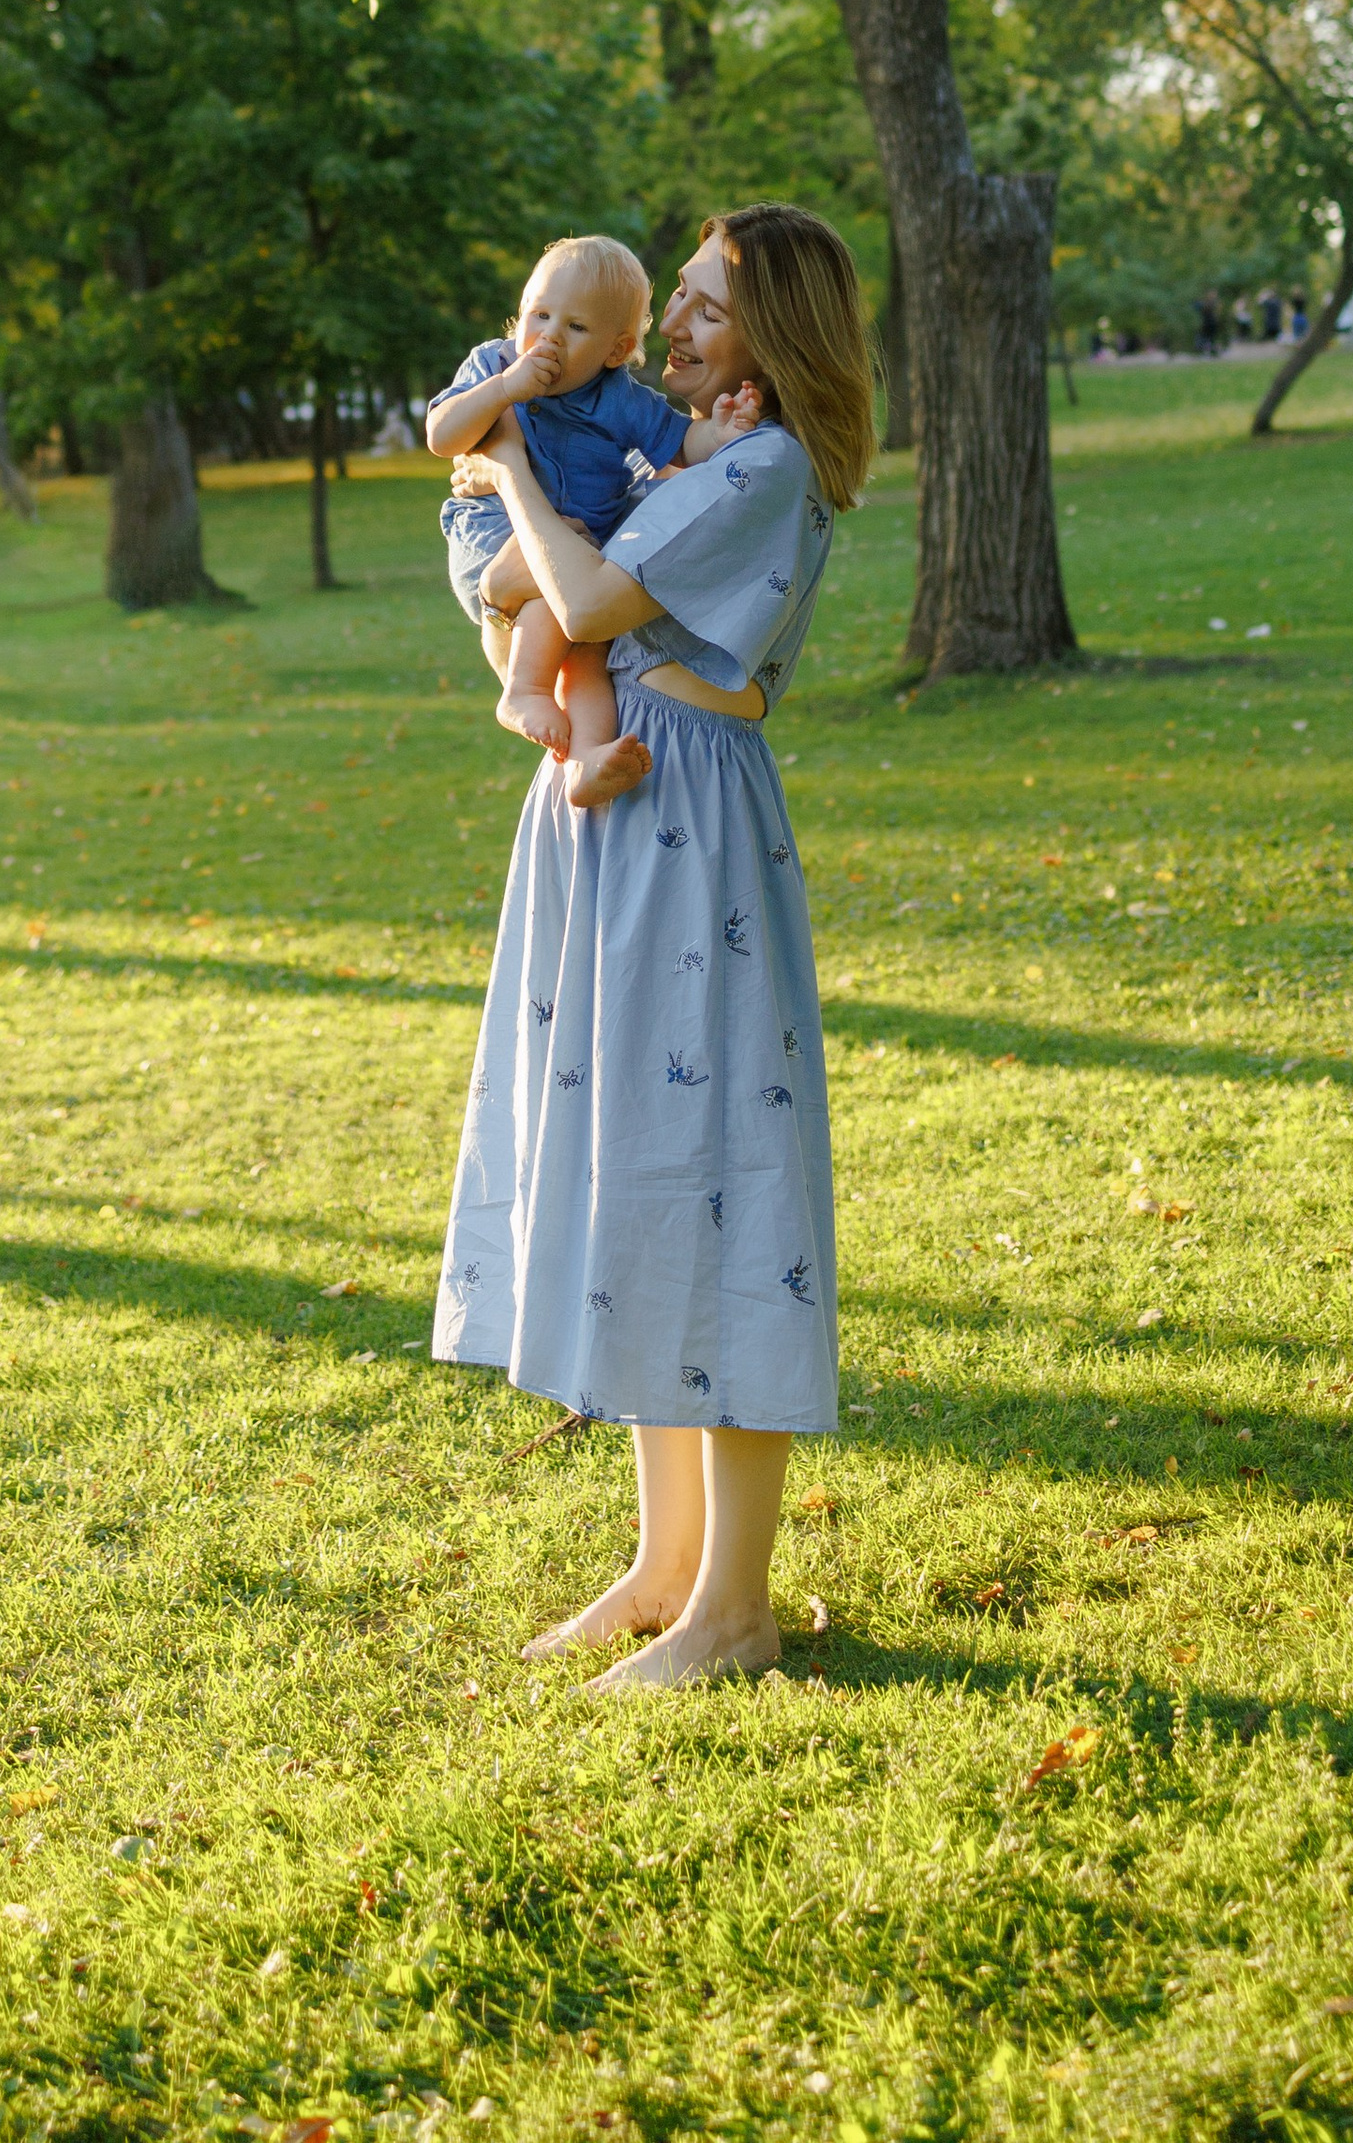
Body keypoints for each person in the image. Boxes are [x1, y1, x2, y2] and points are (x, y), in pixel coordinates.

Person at [434, 201, 877, 1693]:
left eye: (704, 306)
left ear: (774, 335)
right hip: (615, 814)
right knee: (639, 1173)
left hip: (689, 822)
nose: (676, 327)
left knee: (714, 1185)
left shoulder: (764, 464)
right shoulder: (673, 453)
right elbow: (508, 596)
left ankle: (734, 1608)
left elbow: (582, 596)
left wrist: (503, 458)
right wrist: (513, 511)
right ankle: (664, 1567)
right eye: (677, 299)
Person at [424, 236, 752, 807]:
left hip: (575, 556)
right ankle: (523, 691)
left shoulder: (621, 398)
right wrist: (503, 391)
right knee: (550, 601)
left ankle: (586, 760)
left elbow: (680, 443)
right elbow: (441, 436)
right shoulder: (493, 364)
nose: (548, 336)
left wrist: (719, 432)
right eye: (539, 314)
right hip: (495, 530)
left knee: (588, 658)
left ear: (616, 350)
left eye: (576, 327)